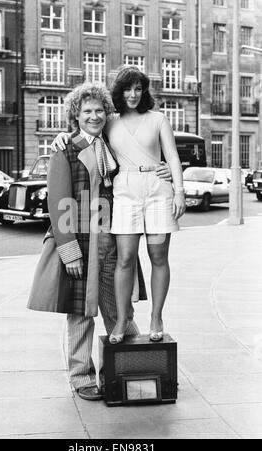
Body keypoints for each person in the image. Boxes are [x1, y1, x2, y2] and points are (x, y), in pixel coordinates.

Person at [29, 82, 168, 401]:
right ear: (75, 114)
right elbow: (59, 200)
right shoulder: (66, 147)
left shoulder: (113, 142)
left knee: (120, 308)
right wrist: (69, 251)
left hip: (114, 239)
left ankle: (132, 365)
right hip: (80, 241)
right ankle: (80, 375)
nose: (94, 116)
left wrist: (166, 172)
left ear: (108, 113)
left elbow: (144, 163)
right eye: (87, 111)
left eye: (99, 110)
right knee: (80, 312)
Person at [52, 67, 186, 346]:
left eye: (138, 88)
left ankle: (156, 318)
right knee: (125, 259)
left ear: (145, 90)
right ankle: (122, 322)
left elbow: (172, 157)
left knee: (158, 256)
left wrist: (178, 190)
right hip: (125, 196)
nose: (133, 94)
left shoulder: (158, 119)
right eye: (127, 89)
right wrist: (63, 136)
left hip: (157, 193)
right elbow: (85, 132)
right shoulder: (110, 121)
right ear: (118, 92)